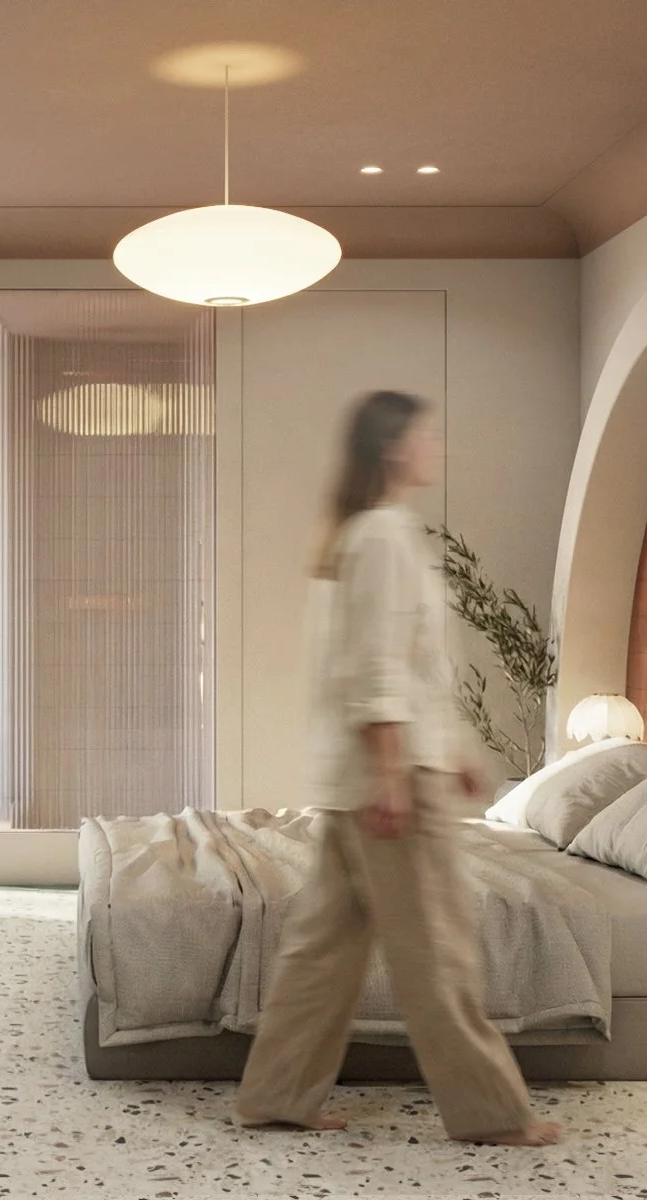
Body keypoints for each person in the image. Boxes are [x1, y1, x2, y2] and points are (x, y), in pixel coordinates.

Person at [233, 389, 562, 1147]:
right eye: (425, 435)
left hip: (360, 775)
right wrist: (393, 775)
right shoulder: (383, 535)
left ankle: (275, 1096)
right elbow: (379, 667)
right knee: (438, 951)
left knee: (323, 953)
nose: (434, 445)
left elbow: (400, 670)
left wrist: (453, 753)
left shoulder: (359, 533)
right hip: (391, 780)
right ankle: (492, 1114)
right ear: (392, 447)